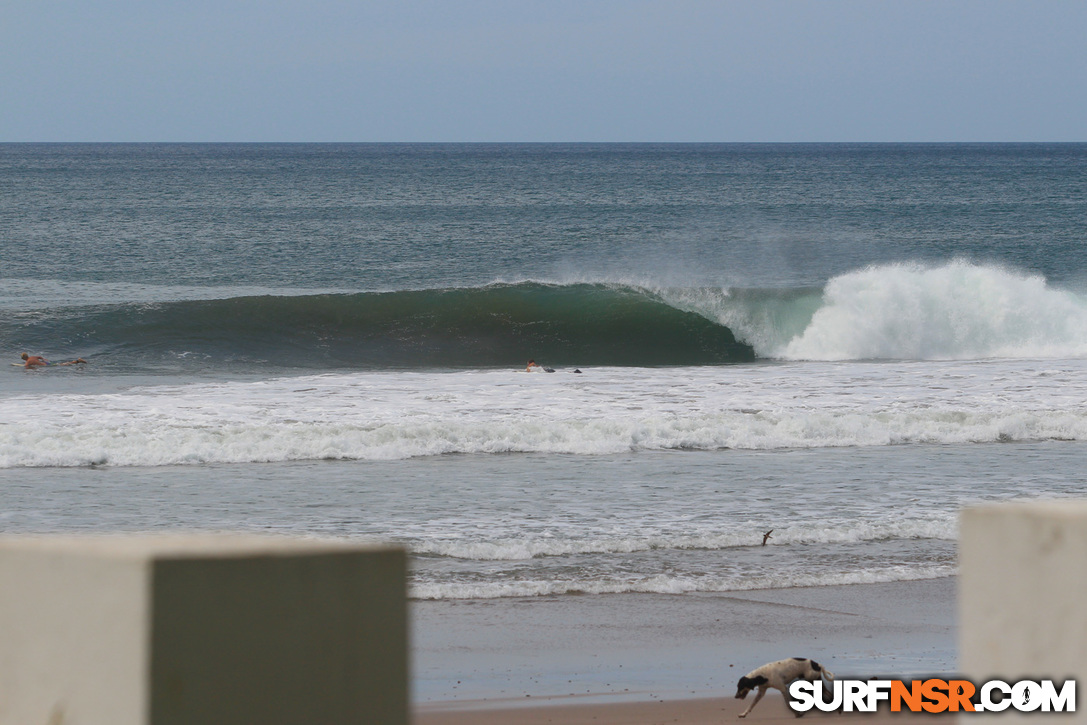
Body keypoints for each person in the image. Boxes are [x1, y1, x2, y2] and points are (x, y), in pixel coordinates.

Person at [21, 352, 87, 369]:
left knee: (63, 364)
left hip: (46, 366)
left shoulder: (28, 362)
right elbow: (39, 357)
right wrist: (43, 359)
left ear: (24, 358)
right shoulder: (32, 357)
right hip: (46, 363)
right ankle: (77, 361)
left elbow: (26, 367)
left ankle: (78, 361)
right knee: (61, 364)